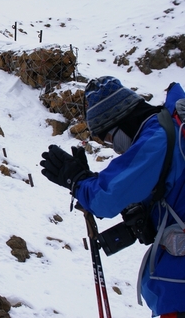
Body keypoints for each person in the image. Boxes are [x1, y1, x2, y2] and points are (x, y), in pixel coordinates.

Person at [39, 76, 185, 317]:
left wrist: (77, 181)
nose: (116, 149)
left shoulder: (157, 139)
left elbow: (106, 199)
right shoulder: (174, 122)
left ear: (120, 122)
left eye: (108, 139)